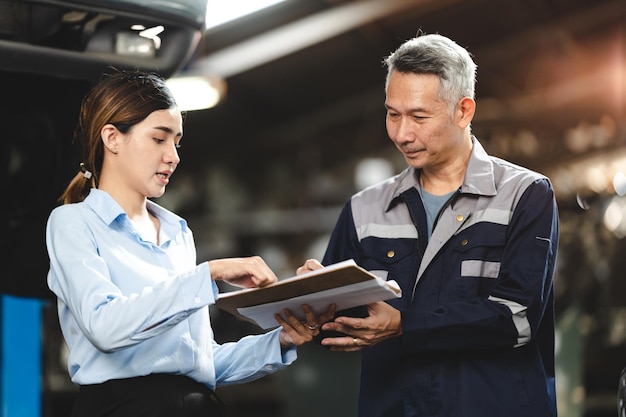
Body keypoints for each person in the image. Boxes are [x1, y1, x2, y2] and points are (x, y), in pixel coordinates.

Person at [46, 68, 334, 417]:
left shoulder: (177, 232)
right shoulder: (73, 222)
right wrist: (209, 273)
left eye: (177, 142)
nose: (174, 156)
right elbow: (105, 327)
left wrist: (281, 339)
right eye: (159, 138)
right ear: (112, 138)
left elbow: (198, 361)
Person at [298, 33, 559, 417]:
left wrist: (406, 325)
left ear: (464, 111)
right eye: (392, 113)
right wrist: (311, 300)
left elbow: (517, 320)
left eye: (419, 117)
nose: (402, 134)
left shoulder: (524, 195)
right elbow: (334, 328)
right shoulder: (365, 209)